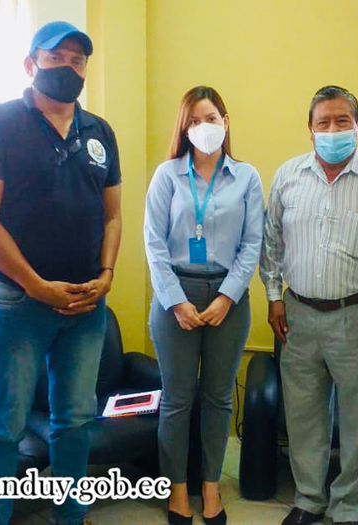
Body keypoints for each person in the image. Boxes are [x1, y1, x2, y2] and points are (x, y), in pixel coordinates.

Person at [0, 21, 122, 525]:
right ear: (31, 64)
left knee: (75, 420)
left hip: (85, 303)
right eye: (57, 58)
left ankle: (71, 514)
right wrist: (36, 286)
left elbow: (113, 216)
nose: (68, 68)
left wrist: (107, 273)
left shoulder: (99, 132)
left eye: (78, 61)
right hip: (19, 302)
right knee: (4, 424)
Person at [260, 85, 358, 525]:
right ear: (310, 130)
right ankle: (309, 498)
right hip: (299, 314)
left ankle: (350, 504)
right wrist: (274, 297)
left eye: (341, 121)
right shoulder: (288, 176)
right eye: (323, 123)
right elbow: (271, 243)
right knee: (304, 414)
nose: (332, 130)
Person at [144, 86, 263, 525]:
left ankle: (211, 486)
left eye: (211, 118)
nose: (203, 127)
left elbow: (252, 244)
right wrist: (176, 303)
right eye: (194, 120)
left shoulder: (247, 177)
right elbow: (154, 244)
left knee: (218, 398)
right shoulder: (167, 175)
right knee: (177, 399)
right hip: (174, 294)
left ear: (225, 122)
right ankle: (177, 488)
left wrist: (227, 297)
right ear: (184, 128)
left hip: (229, 297)